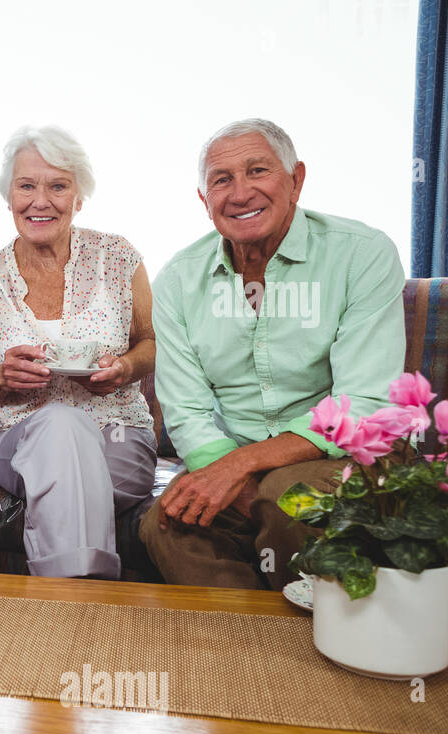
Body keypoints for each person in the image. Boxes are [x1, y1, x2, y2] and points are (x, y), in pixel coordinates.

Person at [139, 118, 406, 589]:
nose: (240, 193)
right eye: (221, 180)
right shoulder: (178, 281)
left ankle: (313, 641)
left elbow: (363, 404)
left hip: (348, 452)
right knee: (167, 521)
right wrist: (231, 478)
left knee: (288, 495)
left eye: (258, 171)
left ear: (296, 180)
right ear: (204, 201)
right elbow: (186, 410)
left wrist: (244, 466)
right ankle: (245, 649)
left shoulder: (361, 254)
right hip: (234, 454)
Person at [0, 125, 158, 579]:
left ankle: (59, 608)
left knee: (66, 480)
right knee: (60, 427)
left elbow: (150, 341)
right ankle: (89, 599)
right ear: (9, 197)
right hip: (23, 441)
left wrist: (125, 367)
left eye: (58, 186)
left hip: (118, 438)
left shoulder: (118, 257)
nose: (39, 201)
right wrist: (3, 377)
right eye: (26, 186)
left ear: (79, 197)